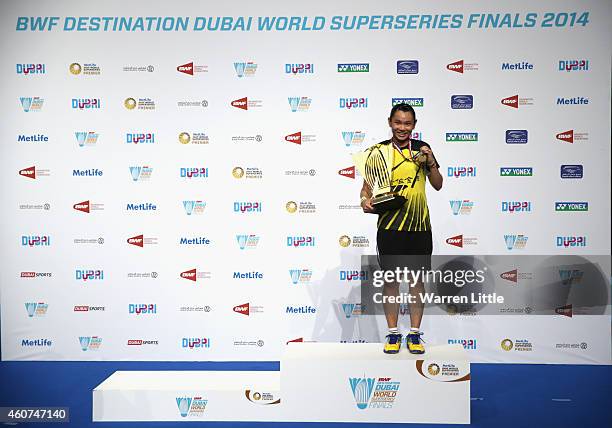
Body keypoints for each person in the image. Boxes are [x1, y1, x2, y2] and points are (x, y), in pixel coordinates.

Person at [359, 103, 442, 354]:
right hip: (390, 227)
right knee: (392, 282)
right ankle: (393, 334)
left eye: (407, 123)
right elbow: (366, 189)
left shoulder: (422, 149)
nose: (402, 127)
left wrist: (430, 162)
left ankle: (415, 334)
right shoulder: (378, 152)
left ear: (414, 125)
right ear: (390, 122)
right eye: (398, 122)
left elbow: (438, 184)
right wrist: (365, 201)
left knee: (417, 282)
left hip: (418, 226)